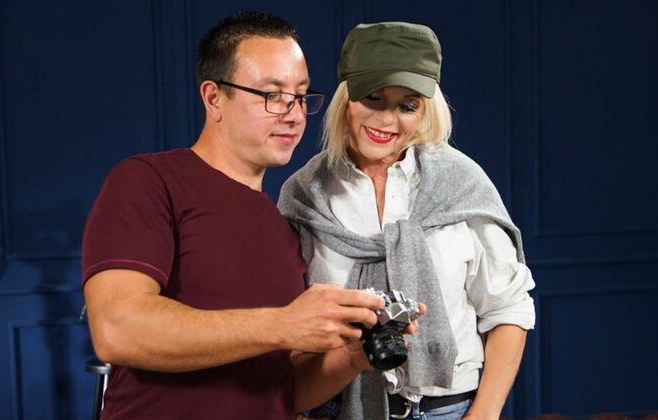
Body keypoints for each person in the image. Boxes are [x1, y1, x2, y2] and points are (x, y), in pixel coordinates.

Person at [82, 12, 419, 419]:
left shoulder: (283, 225)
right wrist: (282, 324)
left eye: (301, 96)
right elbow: (118, 329)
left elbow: (285, 391)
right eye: (272, 95)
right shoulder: (148, 181)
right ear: (213, 98)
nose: (294, 114)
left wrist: (352, 356)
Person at [278, 22, 536, 419]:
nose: (387, 120)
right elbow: (291, 328)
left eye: (407, 106)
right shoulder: (305, 193)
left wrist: (484, 414)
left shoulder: (461, 184)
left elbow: (508, 306)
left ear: (425, 111)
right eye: (373, 98)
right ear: (346, 99)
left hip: (447, 410)